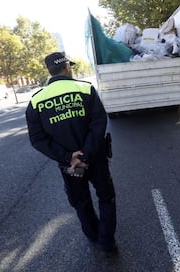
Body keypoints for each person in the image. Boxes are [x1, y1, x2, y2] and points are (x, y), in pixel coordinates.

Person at [25, 52, 117, 255]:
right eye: (70, 66)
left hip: (69, 166)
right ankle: (107, 242)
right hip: (96, 159)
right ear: (67, 67)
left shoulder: (36, 101)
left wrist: (69, 157)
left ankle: (94, 236)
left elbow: (38, 139)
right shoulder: (85, 89)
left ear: (50, 71)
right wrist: (86, 154)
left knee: (81, 202)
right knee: (106, 197)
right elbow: (98, 123)